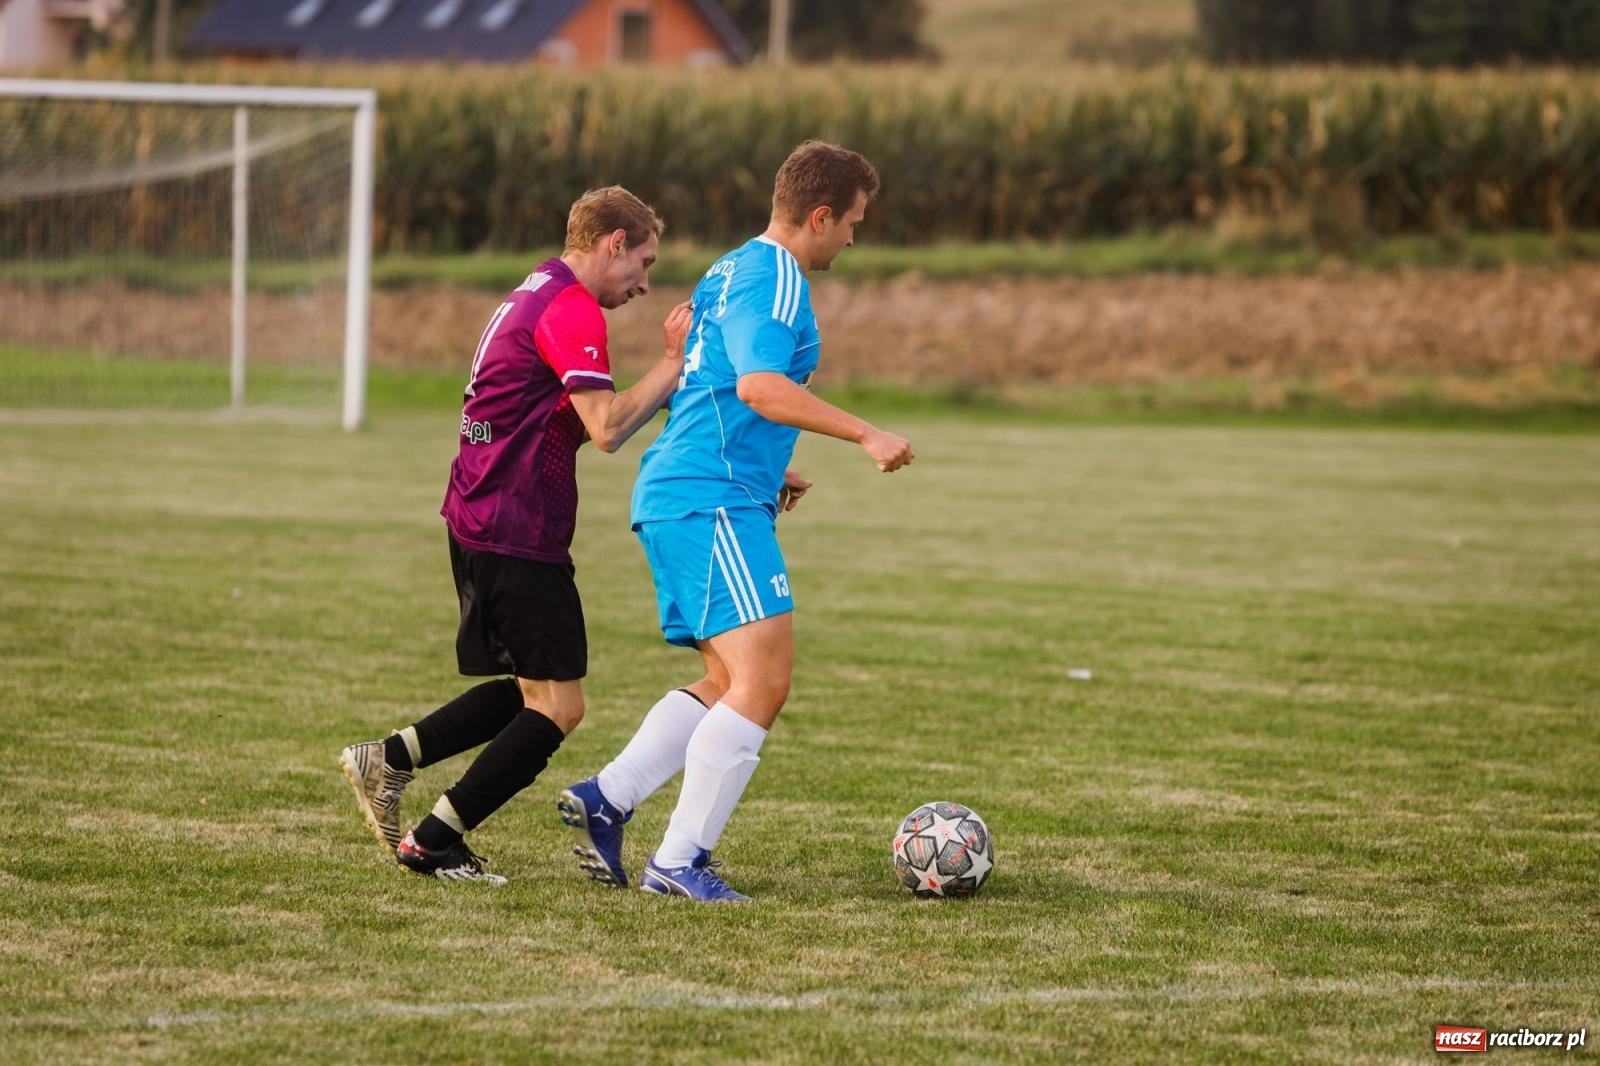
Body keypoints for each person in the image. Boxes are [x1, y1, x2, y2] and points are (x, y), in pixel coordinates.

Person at [557, 141, 914, 902]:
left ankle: (607, 799)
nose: (853, 238)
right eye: (853, 222)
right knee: (763, 682)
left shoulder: (729, 268)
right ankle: (679, 862)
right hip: (708, 496)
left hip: (691, 489)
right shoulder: (776, 278)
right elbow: (757, 386)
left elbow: (710, 387)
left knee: (726, 680)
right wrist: (866, 433)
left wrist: (767, 466)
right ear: (820, 216)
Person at [338, 186, 693, 884]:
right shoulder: (571, 307)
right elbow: (607, 427)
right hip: (515, 526)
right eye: (644, 263)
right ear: (614, 242)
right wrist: (672, 363)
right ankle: (433, 841)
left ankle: (389, 759)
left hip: (478, 514)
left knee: (527, 691)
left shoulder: (534, 290)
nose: (644, 285)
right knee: (559, 707)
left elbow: (558, 410)